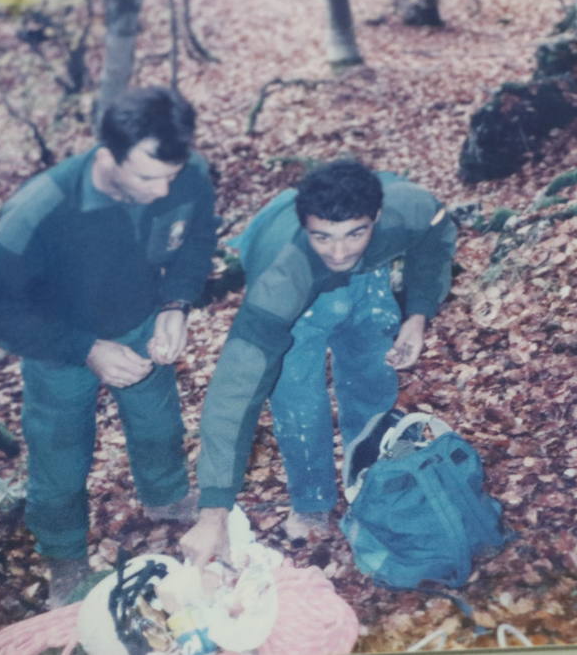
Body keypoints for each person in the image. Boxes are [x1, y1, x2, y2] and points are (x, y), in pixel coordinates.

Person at [0, 86, 218, 606]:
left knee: (158, 424)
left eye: (171, 175)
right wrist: (84, 348)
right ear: (108, 156)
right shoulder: (42, 208)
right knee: (59, 454)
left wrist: (176, 303)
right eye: (148, 177)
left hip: (143, 322)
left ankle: (166, 497)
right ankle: (64, 553)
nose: (162, 189)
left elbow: (196, 241)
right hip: (59, 344)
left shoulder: (186, 173)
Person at [179, 158, 456, 563]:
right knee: (296, 395)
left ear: (376, 218)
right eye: (323, 236)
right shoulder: (282, 275)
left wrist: (417, 316)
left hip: (369, 274)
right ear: (305, 225)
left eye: (354, 233)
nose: (340, 251)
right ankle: (311, 502)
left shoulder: (408, 209)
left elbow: (436, 232)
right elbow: (235, 388)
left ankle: (370, 478)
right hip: (298, 282)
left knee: (372, 371)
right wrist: (212, 513)